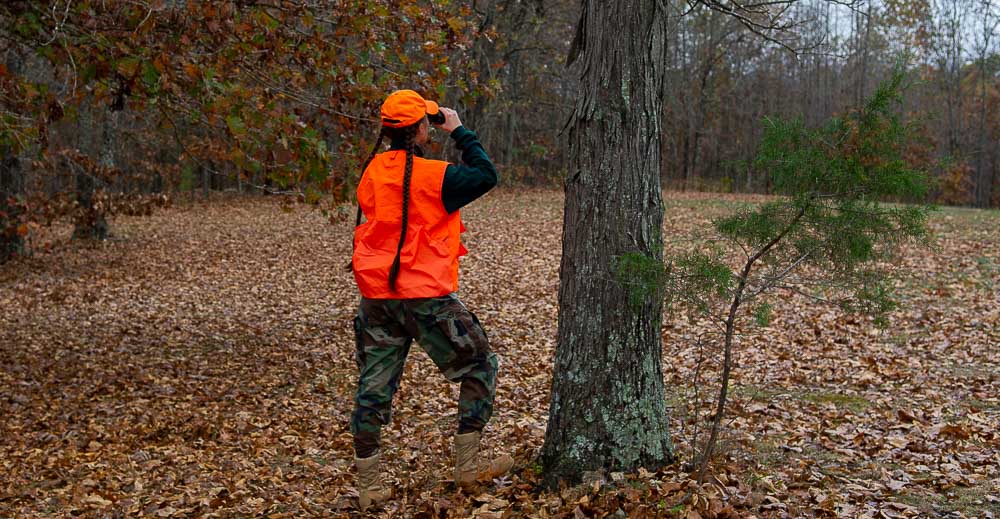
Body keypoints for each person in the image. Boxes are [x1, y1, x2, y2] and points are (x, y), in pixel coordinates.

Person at [348, 89, 511, 510]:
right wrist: (458, 130)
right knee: (480, 365)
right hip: (425, 296)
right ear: (421, 129)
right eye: (425, 122)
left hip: (378, 297)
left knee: (373, 387)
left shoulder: (371, 172)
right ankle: (468, 467)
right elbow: (486, 174)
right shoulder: (435, 176)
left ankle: (368, 487)